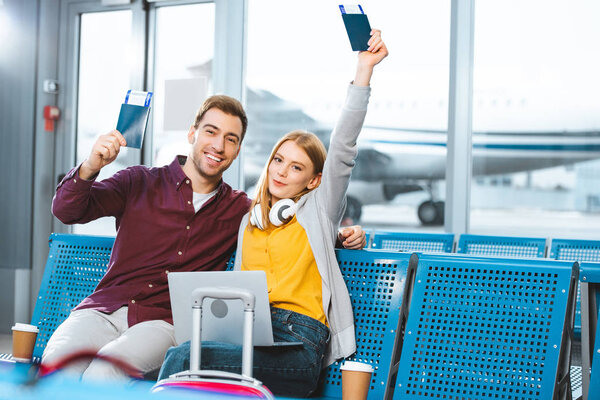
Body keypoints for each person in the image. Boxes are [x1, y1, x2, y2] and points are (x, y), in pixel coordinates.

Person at [44, 93, 365, 380]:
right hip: (103, 308)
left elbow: (294, 228)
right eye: (211, 132)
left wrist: (337, 236)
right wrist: (90, 166)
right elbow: (68, 211)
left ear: (238, 150)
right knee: (56, 367)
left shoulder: (239, 210)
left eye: (231, 138)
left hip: (163, 323)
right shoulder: (138, 181)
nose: (218, 145)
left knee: (104, 373)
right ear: (192, 134)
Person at [157, 29, 388, 397]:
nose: (281, 171)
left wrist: (364, 71)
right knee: (185, 359)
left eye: (296, 168)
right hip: (251, 334)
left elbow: (343, 145)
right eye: (279, 160)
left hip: (298, 346)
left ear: (313, 181)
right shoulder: (252, 219)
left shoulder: (318, 209)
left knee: (184, 360)